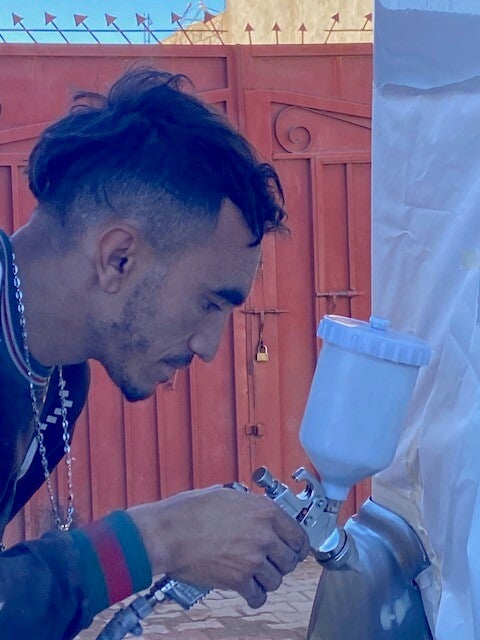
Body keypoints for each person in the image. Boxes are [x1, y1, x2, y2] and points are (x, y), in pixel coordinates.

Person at [0, 67, 309, 639]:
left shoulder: (63, 379)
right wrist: (159, 538)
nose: (209, 347)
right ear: (118, 258)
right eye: (209, 303)